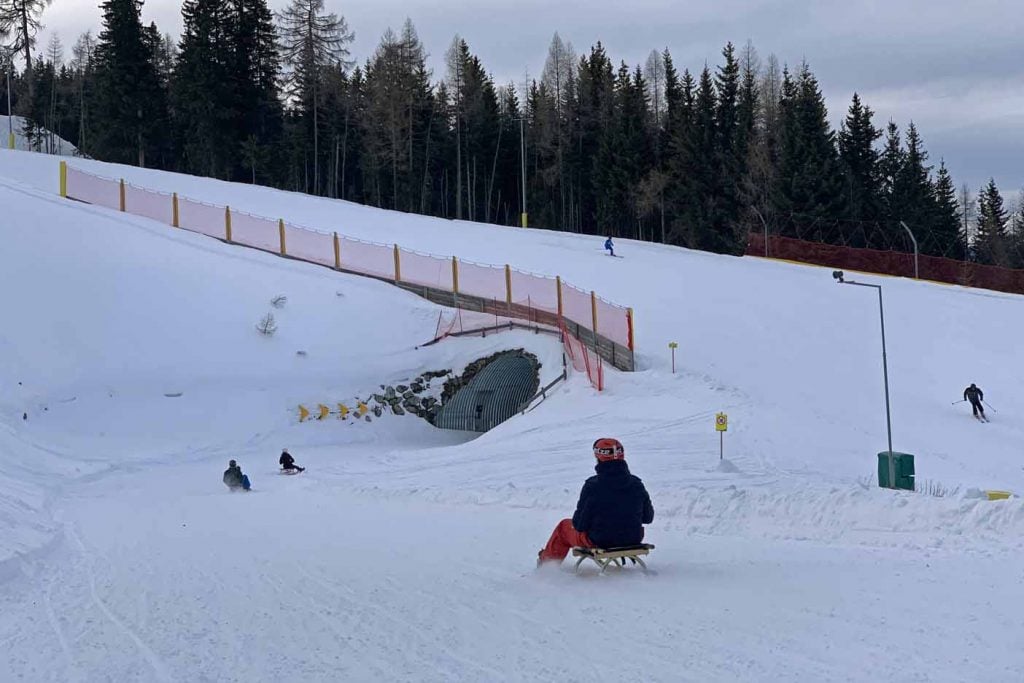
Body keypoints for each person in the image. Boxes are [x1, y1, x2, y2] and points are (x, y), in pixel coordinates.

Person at [537, 438, 654, 566]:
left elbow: (579, 525)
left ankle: (547, 564)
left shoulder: (592, 486)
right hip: (633, 538)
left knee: (564, 527)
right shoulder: (637, 484)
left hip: (600, 541)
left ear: (598, 456)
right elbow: (648, 518)